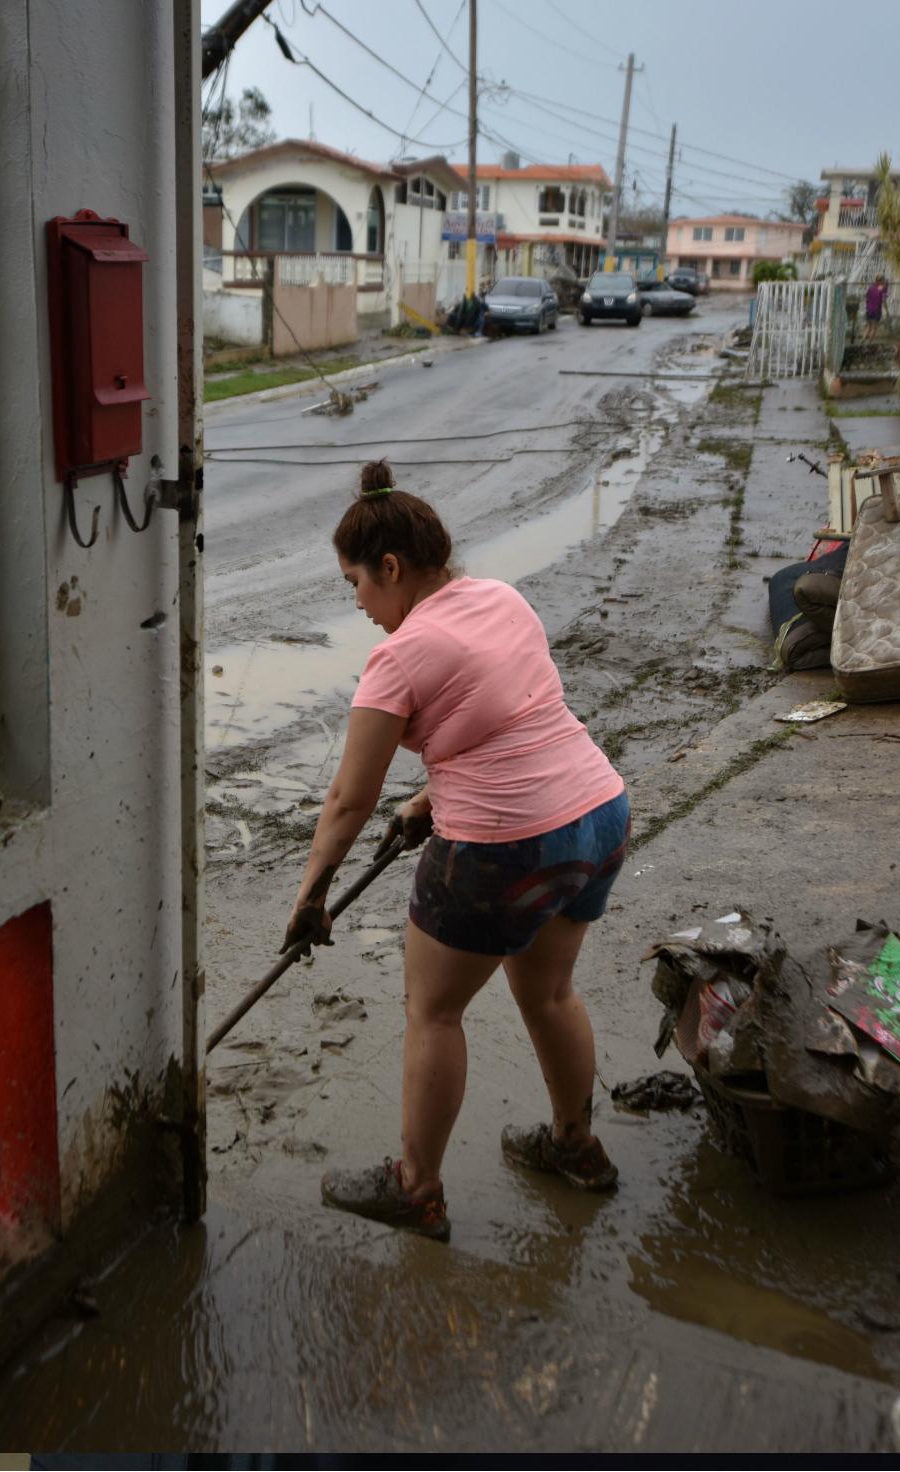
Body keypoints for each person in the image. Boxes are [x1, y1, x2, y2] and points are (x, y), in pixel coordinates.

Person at [286, 461, 632, 1242]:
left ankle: (416, 1187)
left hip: (502, 850)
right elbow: (507, 724)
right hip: (596, 816)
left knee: (433, 1012)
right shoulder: (501, 598)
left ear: (392, 569)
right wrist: (429, 799)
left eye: (355, 585)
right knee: (548, 993)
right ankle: (576, 1148)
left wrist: (310, 896)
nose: (358, 604)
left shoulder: (398, 657)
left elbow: (348, 800)